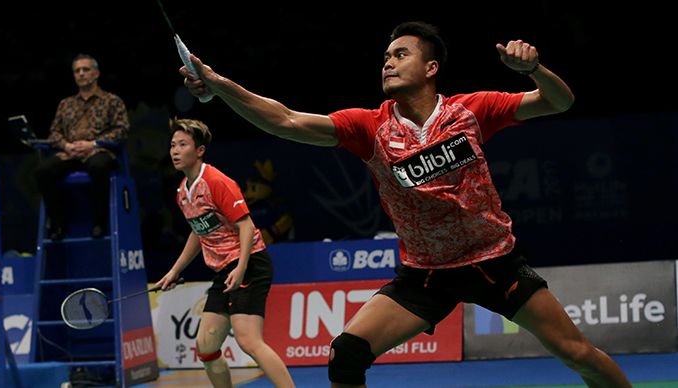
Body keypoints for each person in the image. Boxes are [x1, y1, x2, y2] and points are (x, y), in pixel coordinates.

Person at [178, 22, 632, 387]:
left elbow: (558, 101)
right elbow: (285, 120)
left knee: (579, 356)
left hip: (494, 263)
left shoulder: (470, 111)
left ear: (431, 67)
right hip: (426, 275)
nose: (388, 64)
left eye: (401, 55)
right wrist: (219, 85)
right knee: (346, 354)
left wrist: (534, 69)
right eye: (385, 58)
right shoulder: (369, 127)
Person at [155, 118, 295, 388]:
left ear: (199, 150)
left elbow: (246, 225)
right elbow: (199, 233)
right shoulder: (182, 193)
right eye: (172, 145)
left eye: (182, 144)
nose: (174, 151)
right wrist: (175, 271)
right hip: (224, 271)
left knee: (248, 340)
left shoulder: (216, 181)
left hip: (249, 263)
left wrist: (241, 267)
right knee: (206, 346)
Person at [35, 53, 129, 240]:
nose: (81, 74)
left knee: (99, 166)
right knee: (43, 171)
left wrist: (93, 144)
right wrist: (67, 146)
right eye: (77, 71)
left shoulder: (112, 101)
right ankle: (58, 226)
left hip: (98, 151)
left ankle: (99, 223)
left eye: (85, 69)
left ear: (96, 73)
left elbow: (121, 130)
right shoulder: (66, 104)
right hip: (70, 154)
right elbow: (54, 132)